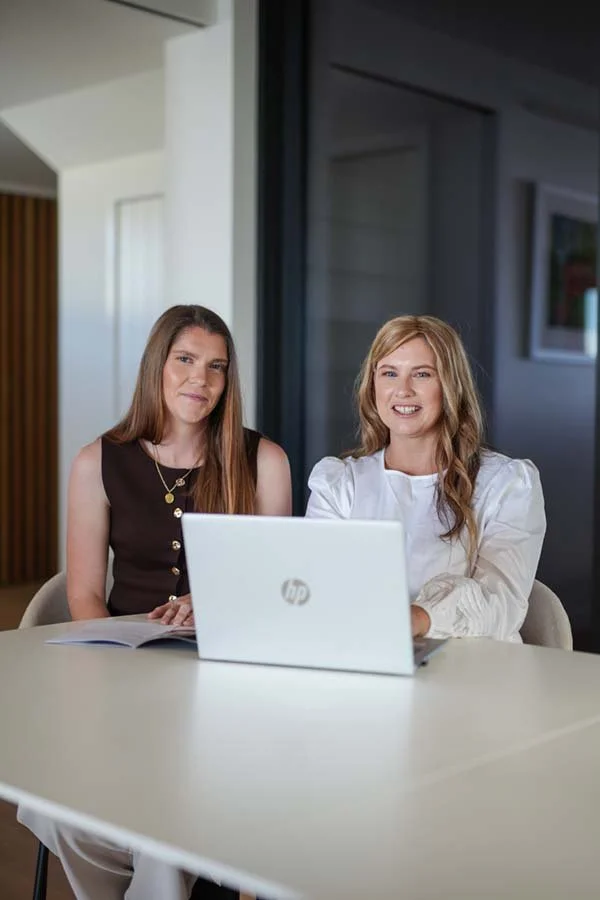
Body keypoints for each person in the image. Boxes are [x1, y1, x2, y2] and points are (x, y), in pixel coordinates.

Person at [19, 304, 292, 900]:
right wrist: (120, 667)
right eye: (186, 360)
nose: (201, 380)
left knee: (175, 805)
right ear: (156, 367)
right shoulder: (98, 460)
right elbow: (85, 593)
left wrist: (218, 597)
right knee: (83, 800)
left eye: (216, 367)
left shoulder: (264, 461)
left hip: (224, 679)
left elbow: (278, 587)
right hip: (122, 675)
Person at [306, 315, 546, 642]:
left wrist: (417, 619)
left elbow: (501, 601)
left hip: (477, 672)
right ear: (373, 386)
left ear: (450, 386)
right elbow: (316, 587)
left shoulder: (507, 485)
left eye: (422, 374)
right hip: (364, 658)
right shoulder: (339, 484)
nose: (403, 390)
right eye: (389, 373)